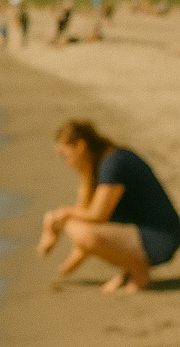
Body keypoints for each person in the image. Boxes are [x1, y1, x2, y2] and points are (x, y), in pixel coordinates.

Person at [38, 119, 180, 292]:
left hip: (160, 239)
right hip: (149, 235)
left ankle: (139, 273)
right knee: (77, 225)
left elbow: (97, 216)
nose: (67, 162)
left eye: (64, 155)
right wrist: (65, 269)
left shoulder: (113, 163)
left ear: (81, 146)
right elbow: (89, 218)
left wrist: (60, 215)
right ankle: (128, 271)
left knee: (76, 227)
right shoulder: (103, 164)